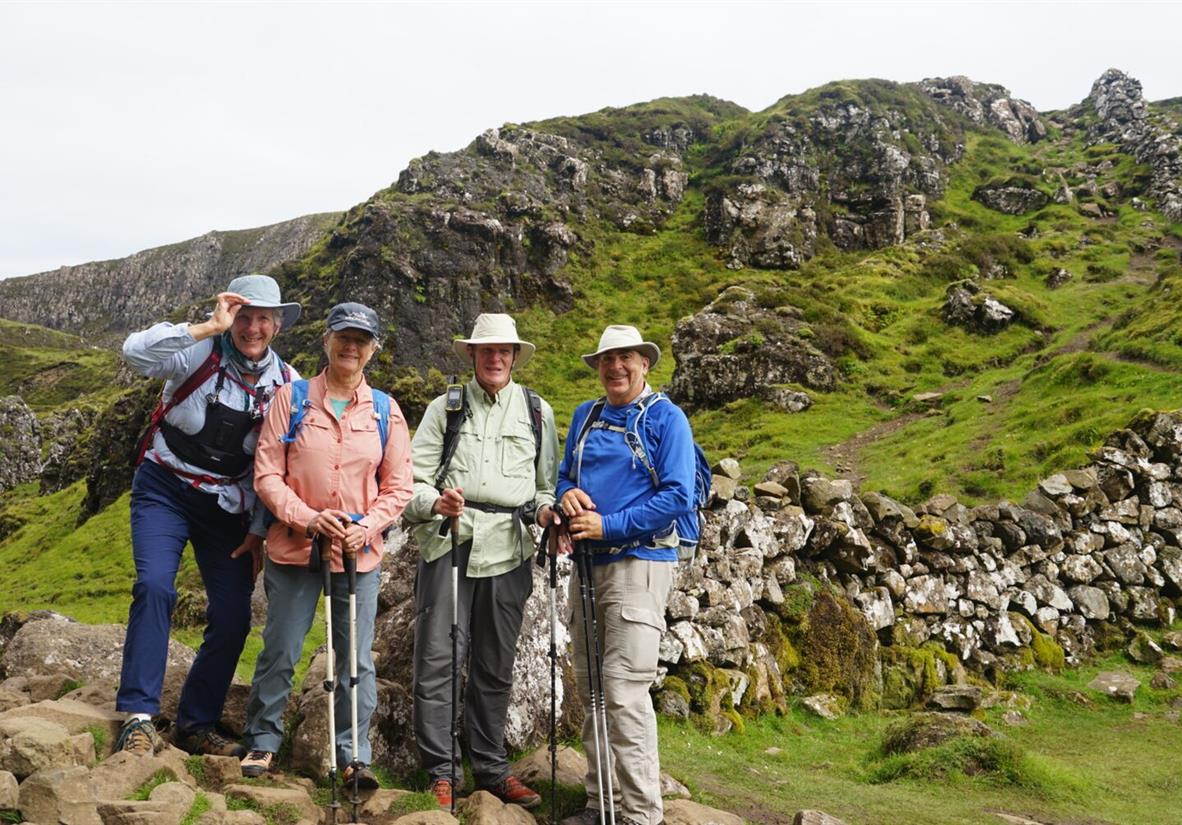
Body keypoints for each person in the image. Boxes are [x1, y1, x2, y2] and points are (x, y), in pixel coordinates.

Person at [115, 274, 301, 757]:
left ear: (278, 325)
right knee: (155, 586)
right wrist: (203, 327)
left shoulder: (289, 385)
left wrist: (260, 531)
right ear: (229, 314)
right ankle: (137, 716)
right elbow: (135, 353)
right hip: (164, 487)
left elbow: (279, 463)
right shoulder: (197, 351)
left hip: (228, 509)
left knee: (234, 615)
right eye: (243, 315)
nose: (252, 327)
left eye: (263, 318)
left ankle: (195, 724)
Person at [240, 302, 413, 785]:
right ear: (326, 340)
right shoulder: (291, 400)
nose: (351, 347)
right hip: (295, 547)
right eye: (344, 337)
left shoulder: (385, 410)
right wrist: (309, 517)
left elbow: (399, 486)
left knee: (356, 657)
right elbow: (268, 475)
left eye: (361, 340)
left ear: (372, 350)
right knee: (281, 647)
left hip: (358, 555)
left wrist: (369, 526)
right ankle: (262, 740)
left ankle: (353, 755)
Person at [404, 313, 559, 809]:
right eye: (486, 350)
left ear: (515, 356)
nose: (495, 358)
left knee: (495, 665)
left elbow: (543, 486)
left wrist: (547, 510)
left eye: (504, 351)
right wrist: (435, 504)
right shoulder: (443, 409)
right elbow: (411, 481)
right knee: (437, 661)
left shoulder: (537, 412)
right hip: (450, 541)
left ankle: (491, 770)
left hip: (510, 549)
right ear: (471, 355)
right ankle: (441, 772)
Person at [555, 325, 695, 825]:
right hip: (589, 566)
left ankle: (640, 815)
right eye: (607, 359)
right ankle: (601, 803)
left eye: (626, 358)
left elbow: (678, 497)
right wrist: (564, 497)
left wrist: (608, 524)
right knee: (591, 687)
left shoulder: (667, 419)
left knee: (623, 689)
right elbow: (566, 475)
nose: (615, 367)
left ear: (645, 365)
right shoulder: (585, 416)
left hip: (640, 565)